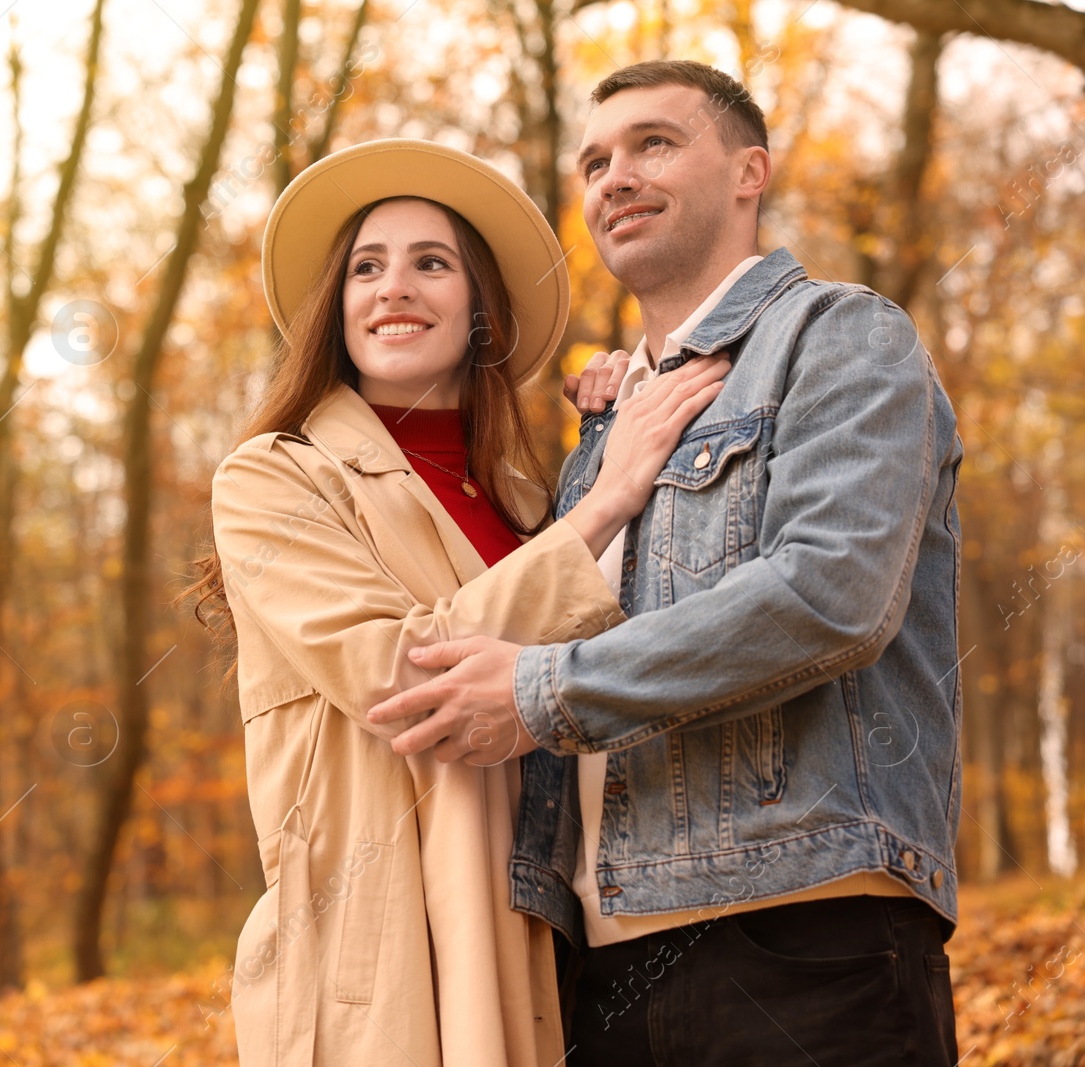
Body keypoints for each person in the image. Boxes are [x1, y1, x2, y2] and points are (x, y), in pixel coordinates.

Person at [368, 61, 965, 1065]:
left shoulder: (840, 336)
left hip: (799, 933)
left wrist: (537, 688)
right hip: (599, 966)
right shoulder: (606, 428)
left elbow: (829, 595)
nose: (613, 177)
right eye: (594, 160)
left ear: (749, 172)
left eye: (653, 143)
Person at [185, 138, 728, 1066]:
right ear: (337, 309)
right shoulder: (274, 479)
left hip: (551, 922)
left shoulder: (520, 499)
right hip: (383, 951)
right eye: (367, 266)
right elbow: (405, 675)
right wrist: (606, 498)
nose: (395, 287)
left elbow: (592, 675)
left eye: (431, 264)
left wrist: (604, 435)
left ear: (478, 312)